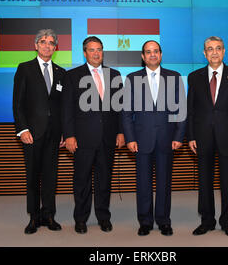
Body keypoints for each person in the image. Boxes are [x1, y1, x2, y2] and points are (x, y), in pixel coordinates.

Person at [187, 36, 228, 238]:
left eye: (218, 48)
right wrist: (190, 136)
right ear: (204, 53)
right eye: (210, 49)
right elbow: (191, 110)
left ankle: (227, 222)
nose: (214, 52)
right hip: (202, 136)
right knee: (204, 181)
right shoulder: (194, 76)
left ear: (224, 51)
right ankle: (207, 221)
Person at [122, 40, 186, 236]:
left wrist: (178, 135)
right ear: (143, 56)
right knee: (143, 183)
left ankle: (164, 220)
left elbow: (180, 110)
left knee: (164, 183)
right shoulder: (132, 78)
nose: (152, 55)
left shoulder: (174, 77)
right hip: (141, 140)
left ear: (161, 54)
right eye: (148, 52)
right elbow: (126, 112)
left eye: (155, 51)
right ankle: (145, 221)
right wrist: (130, 138)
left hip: (167, 138)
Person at [62, 36, 125, 234]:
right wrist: (69, 135)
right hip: (82, 139)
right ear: (85, 52)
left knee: (104, 180)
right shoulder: (72, 76)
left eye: (99, 49)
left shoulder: (114, 74)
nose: (96, 53)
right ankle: (80, 219)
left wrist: (121, 131)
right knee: (81, 180)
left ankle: (103, 217)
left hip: (107, 137)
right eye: (92, 50)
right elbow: (66, 109)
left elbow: (119, 108)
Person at [13, 29, 66, 234]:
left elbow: (62, 106)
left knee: (51, 177)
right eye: (43, 42)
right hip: (32, 134)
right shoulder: (24, 69)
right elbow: (17, 103)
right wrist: (22, 129)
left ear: (55, 47)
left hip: (54, 135)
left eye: (51, 43)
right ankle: (34, 217)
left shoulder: (61, 72)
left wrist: (63, 131)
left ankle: (49, 215)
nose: (47, 46)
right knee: (33, 176)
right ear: (36, 45)